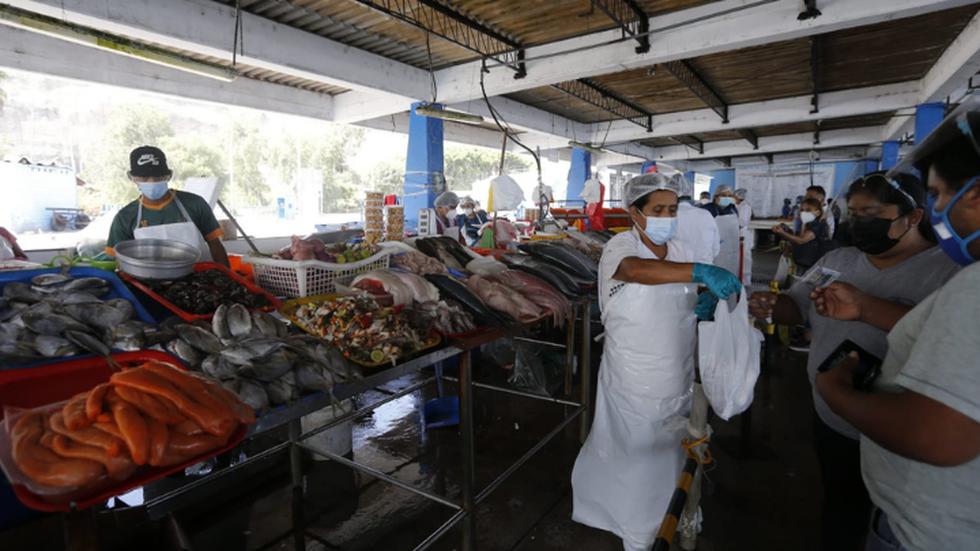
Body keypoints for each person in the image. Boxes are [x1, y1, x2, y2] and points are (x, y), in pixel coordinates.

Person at [749, 172, 960, 551]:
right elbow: (796, 308)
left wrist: (867, 308)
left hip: (895, 435)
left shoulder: (946, 274)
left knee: (887, 521)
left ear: (912, 218)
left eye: (870, 214)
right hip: (831, 418)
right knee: (840, 508)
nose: (856, 223)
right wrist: (772, 305)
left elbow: (949, 342)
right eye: (852, 213)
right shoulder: (839, 259)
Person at [815, 103, 980, 551]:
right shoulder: (840, 262)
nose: (939, 208)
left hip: (932, 533)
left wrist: (837, 392)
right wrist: (866, 308)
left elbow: (939, 435)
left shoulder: (964, 281)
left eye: (940, 194)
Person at [572, 173, 741, 551]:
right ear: (636, 212)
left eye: (672, 208)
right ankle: (635, 528)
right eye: (658, 209)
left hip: (675, 368)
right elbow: (634, 271)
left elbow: (684, 287)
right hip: (633, 375)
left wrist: (704, 295)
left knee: (670, 448)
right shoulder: (621, 245)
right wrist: (699, 272)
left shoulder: (679, 248)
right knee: (636, 452)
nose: (668, 216)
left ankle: (674, 510)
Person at [106, 146, 229, 267]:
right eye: (144, 177)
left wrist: (228, 278)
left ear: (168, 176)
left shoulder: (195, 204)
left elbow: (215, 245)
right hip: (148, 283)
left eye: (158, 177)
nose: (152, 182)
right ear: (132, 178)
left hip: (196, 278)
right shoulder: (124, 217)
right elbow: (119, 260)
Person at [773, 197, 831, 273]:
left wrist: (783, 233)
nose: (803, 213)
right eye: (802, 210)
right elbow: (796, 238)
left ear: (818, 213)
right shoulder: (804, 224)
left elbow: (801, 240)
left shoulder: (818, 225)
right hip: (801, 263)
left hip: (812, 266)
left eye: (808, 210)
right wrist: (785, 230)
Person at [676, 193, 720, 264]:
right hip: (704, 267)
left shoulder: (670, 215)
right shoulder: (706, 214)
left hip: (676, 268)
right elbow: (715, 249)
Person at [734, 188, 754, 286]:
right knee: (739, 258)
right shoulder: (738, 206)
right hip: (738, 234)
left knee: (745, 258)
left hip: (742, 235)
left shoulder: (745, 207)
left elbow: (742, 222)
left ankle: (745, 281)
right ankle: (740, 278)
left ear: (739, 197)